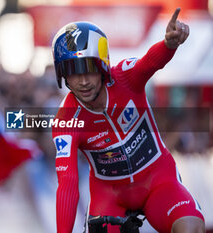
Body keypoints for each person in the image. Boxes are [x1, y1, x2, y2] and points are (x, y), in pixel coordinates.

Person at [51, 8, 205, 233]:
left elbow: (151, 62)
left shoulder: (125, 78)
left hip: (158, 182)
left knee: (192, 229)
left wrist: (170, 44)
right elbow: (67, 185)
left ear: (103, 66)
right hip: (110, 197)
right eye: (73, 72)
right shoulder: (66, 121)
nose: (83, 81)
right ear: (61, 74)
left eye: (90, 68)